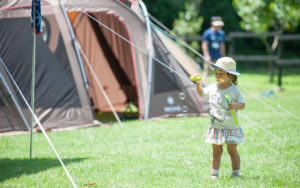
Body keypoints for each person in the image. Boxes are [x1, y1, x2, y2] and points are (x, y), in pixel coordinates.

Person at [195, 57, 246, 180]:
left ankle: (236, 173)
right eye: (216, 73)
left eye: (221, 74)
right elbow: (201, 93)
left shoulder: (235, 90)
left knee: (232, 151)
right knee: (216, 152)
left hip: (231, 127)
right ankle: (214, 174)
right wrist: (198, 84)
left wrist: (235, 105)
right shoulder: (212, 87)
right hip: (216, 127)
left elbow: (242, 105)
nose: (217, 76)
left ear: (230, 76)